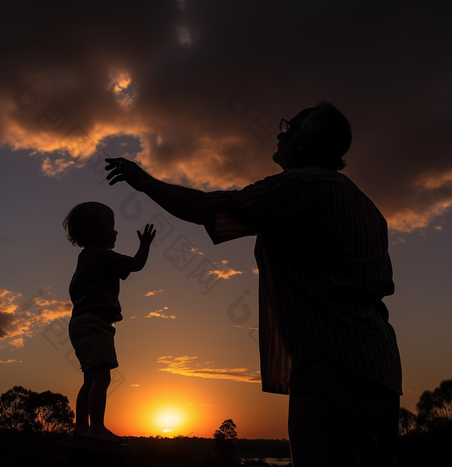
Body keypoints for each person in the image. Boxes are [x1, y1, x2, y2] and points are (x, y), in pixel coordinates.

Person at [104, 102, 402, 466]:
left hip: (332, 363)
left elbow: (209, 209)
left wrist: (145, 182)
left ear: (305, 141)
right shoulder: (369, 209)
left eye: (288, 128)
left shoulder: (300, 185)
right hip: (382, 368)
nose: (280, 134)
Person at [63, 201, 156, 443]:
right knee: (102, 379)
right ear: (96, 231)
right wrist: (145, 244)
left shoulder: (84, 259)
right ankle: (96, 428)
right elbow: (136, 265)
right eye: (111, 226)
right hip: (95, 324)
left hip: (79, 323)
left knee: (90, 379)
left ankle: (81, 428)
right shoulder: (101, 256)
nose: (115, 231)